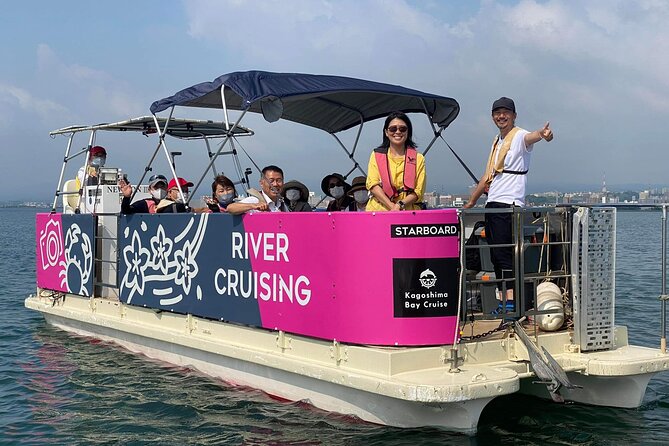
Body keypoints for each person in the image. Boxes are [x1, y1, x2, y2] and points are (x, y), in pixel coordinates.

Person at [464, 97, 554, 313]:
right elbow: (488, 175)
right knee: (496, 256)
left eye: (506, 112)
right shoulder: (497, 141)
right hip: (493, 202)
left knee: (504, 255)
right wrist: (472, 201)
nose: (501, 116)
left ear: (514, 115)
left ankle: (511, 304)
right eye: (497, 112)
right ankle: (504, 302)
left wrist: (543, 135)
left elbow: (533, 137)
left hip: (509, 203)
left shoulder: (519, 136)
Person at [365, 112, 425, 211]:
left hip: (407, 212)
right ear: (386, 132)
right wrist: (392, 207)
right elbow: (373, 185)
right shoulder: (376, 156)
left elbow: (418, 191)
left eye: (402, 129)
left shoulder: (419, 158)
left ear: (408, 132)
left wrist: (400, 204)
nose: (397, 132)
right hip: (378, 211)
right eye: (393, 129)